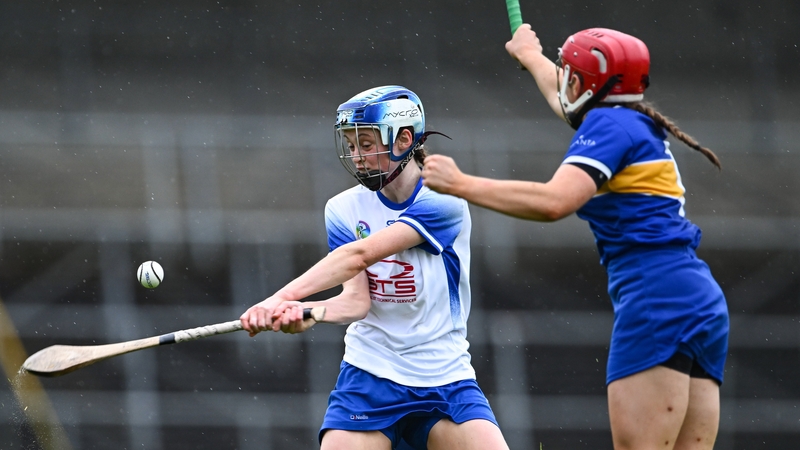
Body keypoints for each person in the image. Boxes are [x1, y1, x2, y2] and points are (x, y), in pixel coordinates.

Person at [421, 25, 729, 450]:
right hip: (699, 298)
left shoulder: (609, 126)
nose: (562, 80)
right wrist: (530, 54)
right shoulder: (631, 120)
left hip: (655, 297)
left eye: (570, 73)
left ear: (587, 84)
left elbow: (553, 202)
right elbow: (566, 100)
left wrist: (460, 183)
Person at [240, 85, 510, 450]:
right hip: (370, 376)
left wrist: (279, 297)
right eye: (351, 146)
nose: (357, 157)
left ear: (402, 139)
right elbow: (356, 302)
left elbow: (360, 256)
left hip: (445, 376)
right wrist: (308, 311)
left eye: (366, 144)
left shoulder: (445, 200)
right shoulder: (342, 209)